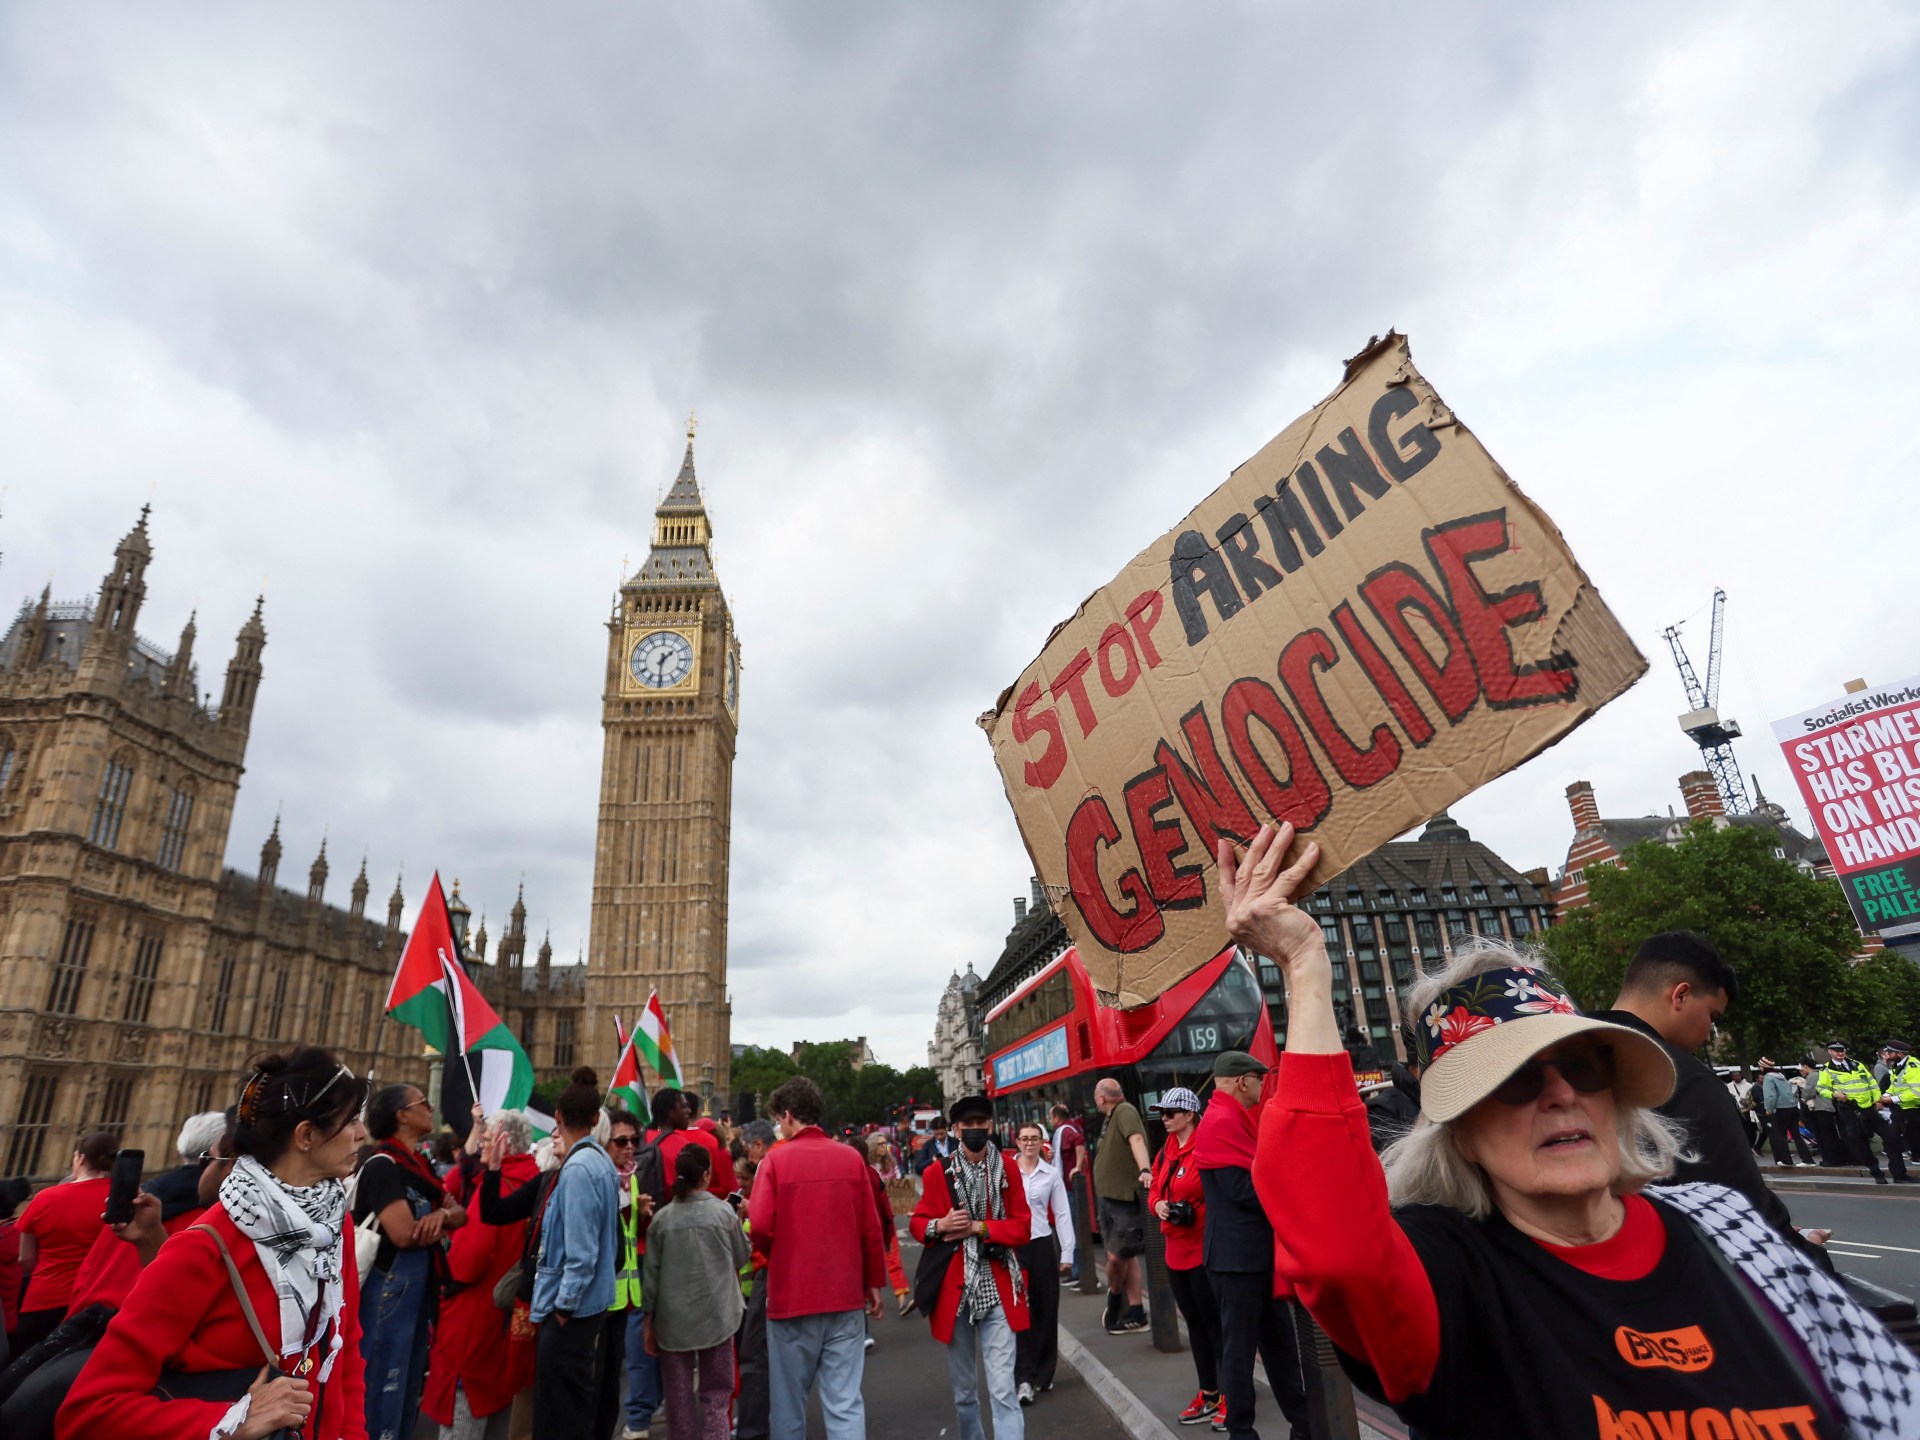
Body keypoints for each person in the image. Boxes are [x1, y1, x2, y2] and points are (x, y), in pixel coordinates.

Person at [1222, 820, 1920, 1440]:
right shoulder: (1451, 1272)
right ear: (1460, 1133)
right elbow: (1335, 1249)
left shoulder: (1724, 1227)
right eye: (1515, 1079)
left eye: (1583, 1067)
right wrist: (1304, 965)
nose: (1560, 1095)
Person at [61, 1047, 371, 1439]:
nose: (362, 1134)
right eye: (351, 1120)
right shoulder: (204, 1248)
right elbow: (88, 1411)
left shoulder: (332, 1226)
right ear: (306, 1136)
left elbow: (345, 1357)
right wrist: (230, 1421)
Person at [1594, 933, 1856, 1238]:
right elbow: (1740, 1211)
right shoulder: (1685, 1080)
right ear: (1680, 995)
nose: (1708, 1035)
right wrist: (1800, 1247)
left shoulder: (1562, 1059)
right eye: (1712, 1016)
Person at [747, 1075, 884, 1440]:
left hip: (791, 1297)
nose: (779, 1127)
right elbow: (870, 1229)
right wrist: (873, 1282)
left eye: (779, 1119)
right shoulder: (850, 1159)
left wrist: (778, 1254)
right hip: (844, 1296)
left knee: (788, 1406)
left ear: (789, 1115)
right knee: (844, 1403)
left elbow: (759, 1224)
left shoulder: (774, 1162)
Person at [1194, 1052, 1308, 1440]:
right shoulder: (1220, 1121)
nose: (1262, 1086)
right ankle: (1241, 1432)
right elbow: (1241, 1190)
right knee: (1240, 1352)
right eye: (1259, 1079)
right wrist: (1285, 1182)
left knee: (1280, 1348)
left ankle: (1304, 1426)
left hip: (1253, 1257)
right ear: (1243, 1081)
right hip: (1235, 1259)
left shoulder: (1230, 1117)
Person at [909, 1094, 1031, 1440]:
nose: (975, 1129)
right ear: (956, 1130)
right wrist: (941, 1225)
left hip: (999, 1286)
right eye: (968, 1125)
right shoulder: (937, 1173)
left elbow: (1023, 1227)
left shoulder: (1007, 1168)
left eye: (981, 1123)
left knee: (1003, 1390)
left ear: (990, 1127)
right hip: (956, 1292)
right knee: (964, 1393)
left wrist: (980, 1227)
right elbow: (918, 1223)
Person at [354, 1083, 468, 1440]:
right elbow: (404, 1234)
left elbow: (460, 1214)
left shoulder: (420, 1164)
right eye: (424, 1103)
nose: (431, 1109)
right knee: (382, 1388)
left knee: (407, 1386)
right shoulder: (383, 1166)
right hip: (388, 1292)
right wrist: (443, 1219)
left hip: (416, 1292)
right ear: (402, 1115)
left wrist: (441, 1218)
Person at [423, 1109, 539, 1440]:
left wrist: (444, 1287)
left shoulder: (496, 1187)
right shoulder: (534, 1181)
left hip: (475, 1317)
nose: (480, 1146)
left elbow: (469, 1259)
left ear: (504, 1143)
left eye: (486, 1139)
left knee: (464, 1411)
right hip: (508, 1317)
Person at [526, 1068, 624, 1440]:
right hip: (590, 1306)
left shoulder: (579, 1168)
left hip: (572, 1312)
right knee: (574, 1408)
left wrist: (563, 1310)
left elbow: (582, 1254)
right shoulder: (599, 1161)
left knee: (558, 1415)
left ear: (558, 1116)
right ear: (597, 1119)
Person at [643, 1144, 751, 1440]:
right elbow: (742, 1255)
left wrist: (648, 1321)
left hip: (672, 1322)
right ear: (706, 1175)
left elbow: (651, 1279)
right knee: (716, 1396)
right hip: (718, 1316)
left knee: (678, 1402)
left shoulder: (661, 1220)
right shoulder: (723, 1214)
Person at [1147, 1087, 1221, 1428]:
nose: (1164, 1118)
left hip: (1203, 1249)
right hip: (1174, 1250)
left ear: (1190, 1115)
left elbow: (1217, 1193)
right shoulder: (1166, 1150)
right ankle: (1209, 1392)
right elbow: (1154, 1187)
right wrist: (1158, 1205)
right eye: (1161, 1112)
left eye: (1170, 1112)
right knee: (1195, 1324)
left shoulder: (1205, 1145)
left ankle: (1231, 1395)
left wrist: (1194, 1209)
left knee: (1215, 1325)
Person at [12, 1130, 116, 1352]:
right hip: (98, 1303)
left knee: (25, 1366)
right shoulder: (127, 1199)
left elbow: (26, 1259)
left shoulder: (46, 1197)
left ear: (81, 1159)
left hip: (44, 1300)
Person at [607, 1110, 662, 1440]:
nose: (630, 1147)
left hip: (628, 1289)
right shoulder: (600, 1178)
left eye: (634, 1141)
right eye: (621, 1141)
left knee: (635, 1357)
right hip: (602, 1293)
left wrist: (640, 1213)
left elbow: (633, 1233)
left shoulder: (632, 1177)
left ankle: (639, 1418)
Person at [1011, 1119, 1073, 1404]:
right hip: (1014, 1247)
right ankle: (1023, 1376)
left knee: (1046, 1310)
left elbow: (1062, 1213)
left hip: (1042, 1245)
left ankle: (1043, 1373)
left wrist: (1067, 1252)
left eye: (1034, 1138)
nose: (1029, 1143)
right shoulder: (1006, 1172)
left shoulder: (1051, 1174)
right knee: (1019, 1312)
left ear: (1041, 1142)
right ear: (1017, 1142)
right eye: (1024, 1138)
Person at [1090, 1077, 1150, 1333]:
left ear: (1101, 1098)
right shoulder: (1110, 1116)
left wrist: (1145, 1169)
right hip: (1109, 1198)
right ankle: (1136, 1312)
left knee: (1117, 1257)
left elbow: (1136, 1139)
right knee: (1127, 1256)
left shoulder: (1124, 1111)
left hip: (1123, 1199)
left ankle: (1114, 1297)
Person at [733, 1118, 779, 1440]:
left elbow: (764, 1228)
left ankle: (753, 1430)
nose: (748, 1157)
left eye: (748, 1150)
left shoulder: (769, 1168)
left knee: (755, 1358)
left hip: (767, 1276)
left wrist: (751, 1211)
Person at [1818, 1040, 1895, 1182]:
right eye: (1836, 1051)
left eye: (1842, 1050)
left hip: (1869, 1107)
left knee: (1891, 1135)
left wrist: (1877, 1100)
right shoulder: (1827, 1069)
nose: (1840, 1053)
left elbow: (1871, 1082)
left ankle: (1897, 1171)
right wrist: (1835, 1095)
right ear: (1830, 1052)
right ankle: (1875, 1171)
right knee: (1859, 1141)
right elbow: (1821, 1089)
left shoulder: (1857, 1064)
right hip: (1850, 1109)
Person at [865, 1134, 914, 1316]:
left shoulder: (892, 1165)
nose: (884, 1146)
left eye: (885, 1143)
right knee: (868, 1262)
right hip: (870, 1221)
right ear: (872, 1146)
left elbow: (899, 1188)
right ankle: (868, 1301)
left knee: (894, 1259)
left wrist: (904, 1206)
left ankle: (902, 1300)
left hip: (887, 1220)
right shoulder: (865, 1167)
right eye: (880, 1144)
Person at [1048, 1105, 1086, 1283]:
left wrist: (1078, 1166)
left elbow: (1079, 1141)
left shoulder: (1066, 1131)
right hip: (1067, 1186)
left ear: (1057, 1118)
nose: (1050, 1121)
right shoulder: (1068, 1128)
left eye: (1051, 1117)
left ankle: (1078, 1273)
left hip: (1069, 1187)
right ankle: (1076, 1272)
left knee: (1071, 1229)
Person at [1759, 1058, 1814, 1167]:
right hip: (1792, 1107)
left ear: (1763, 1067)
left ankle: (1786, 1160)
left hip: (1780, 1109)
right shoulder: (1781, 1076)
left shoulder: (1768, 1078)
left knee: (1781, 1135)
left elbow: (1770, 1095)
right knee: (1796, 1135)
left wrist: (1768, 1109)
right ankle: (1807, 1160)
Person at [1884, 1041, 1920, 1170]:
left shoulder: (1913, 1067)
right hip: (1902, 1107)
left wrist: (1892, 1099)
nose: (1888, 1055)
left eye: (1890, 1052)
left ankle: (1915, 1157)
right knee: (1896, 1136)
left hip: (1913, 1108)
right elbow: (1894, 1085)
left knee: (1913, 1135)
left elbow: (1917, 1092)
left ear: (1899, 1053)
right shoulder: (1898, 1066)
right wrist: (1885, 1096)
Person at [1800, 1057, 1840, 1164]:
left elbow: (1808, 1093)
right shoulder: (1822, 1074)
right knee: (1831, 1134)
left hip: (1820, 1108)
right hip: (1829, 1107)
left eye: (1802, 1068)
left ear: (1806, 1066)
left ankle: (1829, 1160)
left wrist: (1801, 1094)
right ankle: (1837, 1159)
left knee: (1823, 1136)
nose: (1801, 1070)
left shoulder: (1812, 1076)